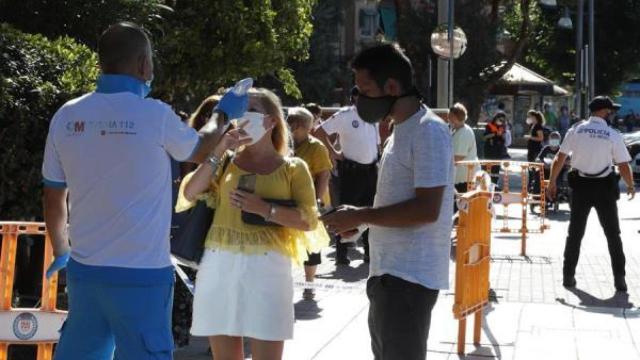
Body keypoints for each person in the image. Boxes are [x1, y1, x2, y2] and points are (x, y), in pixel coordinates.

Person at [42, 22, 249, 359]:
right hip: (142, 276)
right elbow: (199, 149)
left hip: (85, 275)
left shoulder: (67, 115)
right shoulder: (154, 115)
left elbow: (53, 198)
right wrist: (223, 113)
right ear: (143, 65)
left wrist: (61, 250)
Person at [322, 43, 454, 360]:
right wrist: (362, 223)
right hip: (388, 274)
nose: (359, 98)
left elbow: (426, 209)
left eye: (365, 89)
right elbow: (396, 201)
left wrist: (361, 215)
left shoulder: (428, 132)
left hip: (408, 280)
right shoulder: (399, 131)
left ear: (391, 87)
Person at [177, 88, 329, 360]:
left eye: (252, 110)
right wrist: (220, 148)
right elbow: (188, 195)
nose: (243, 116)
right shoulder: (225, 162)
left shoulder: (294, 167)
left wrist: (264, 209)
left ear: (271, 121)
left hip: (268, 267)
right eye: (240, 110)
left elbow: (309, 221)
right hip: (219, 263)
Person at [547, 96, 635, 292]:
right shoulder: (612, 134)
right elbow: (623, 164)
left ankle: (568, 277)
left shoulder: (575, 130)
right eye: (610, 111)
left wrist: (552, 182)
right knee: (613, 234)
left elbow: (559, 158)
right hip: (604, 188)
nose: (611, 114)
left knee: (575, 233)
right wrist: (629, 185)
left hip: (580, 188)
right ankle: (619, 279)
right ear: (604, 112)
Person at [315, 87, 380, 265]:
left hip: (370, 170)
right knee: (345, 210)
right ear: (355, 98)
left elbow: (375, 145)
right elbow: (320, 131)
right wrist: (334, 152)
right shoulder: (345, 115)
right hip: (351, 170)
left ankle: (368, 252)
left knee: (369, 211)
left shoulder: (373, 118)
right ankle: (342, 254)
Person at [287, 106, 333, 301]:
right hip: (286, 200)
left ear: (301, 126)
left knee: (311, 245)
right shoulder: (282, 144)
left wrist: (316, 202)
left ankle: (309, 283)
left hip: (308, 201)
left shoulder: (316, 147)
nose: (288, 123)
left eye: (291, 120)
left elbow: (324, 175)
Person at [449, 102, 479, 193]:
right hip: (462, 176)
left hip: (464, 178)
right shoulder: (457, 131)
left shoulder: (464, 133)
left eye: (450, 116)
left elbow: (458, 157)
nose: (448, 118)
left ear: (455, 117)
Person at [483, 112, 508, 183]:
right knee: (489, 167)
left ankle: (494, 183)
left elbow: (504, 139)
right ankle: (487, 183)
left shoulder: (502, 127)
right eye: (500, 120)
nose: (501, 122)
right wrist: (495, 134)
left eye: (503, 121)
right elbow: (484, 137)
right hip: (490, 150)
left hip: (498, 151)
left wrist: (502, 135)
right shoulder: (489, 126)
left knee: (496, 168)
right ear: (496, 118)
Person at [525, 110, 546, 194]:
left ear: (534, 117)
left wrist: (530, 137)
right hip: (531, 150)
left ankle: (534, 187)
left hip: (535, 150)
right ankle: (530, 186)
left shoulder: (538, 126)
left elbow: (541, 138)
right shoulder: (532, 126)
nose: (528, 118)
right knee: (530, 168)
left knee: (534, 169)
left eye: (529, 116)